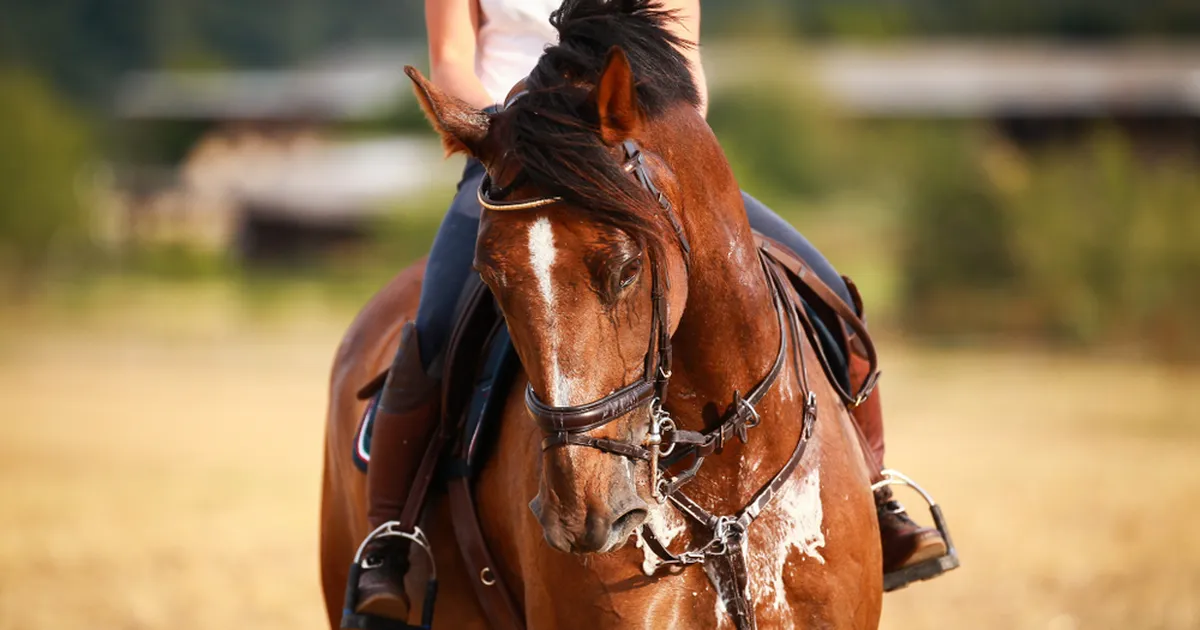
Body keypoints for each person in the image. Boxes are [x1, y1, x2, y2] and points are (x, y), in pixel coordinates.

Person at [356, 0, 946, 618]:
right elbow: (451, 61)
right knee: (435, 327)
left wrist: (626, 135)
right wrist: (520, 129)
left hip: (634, 156)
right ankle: (390, 537)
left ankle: (877, 493)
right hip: (514, 158)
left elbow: (683, 68)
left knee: (828, 291)